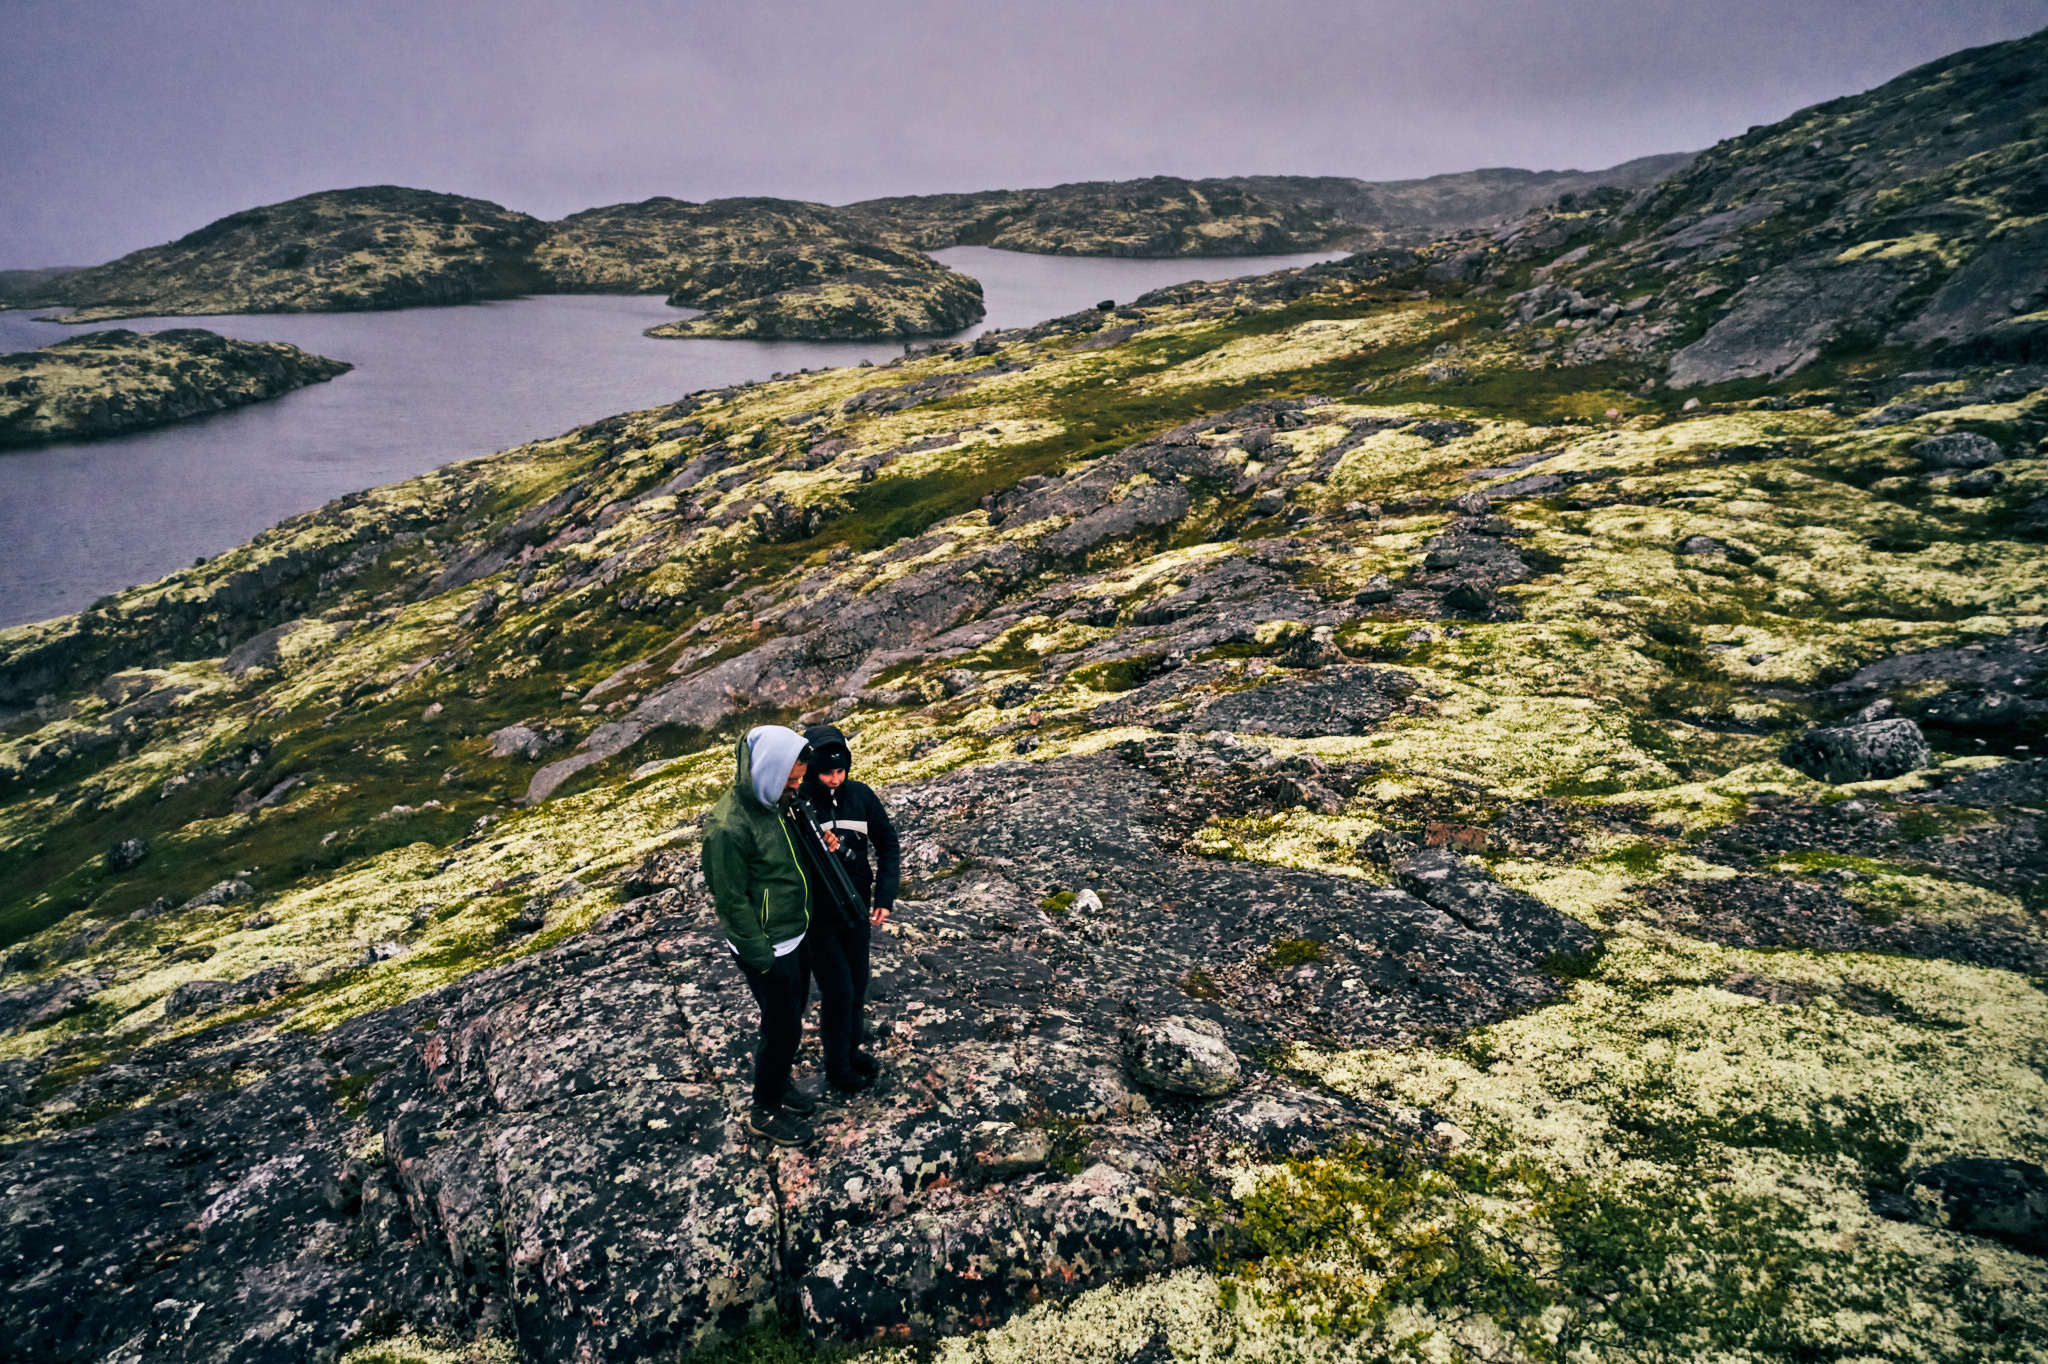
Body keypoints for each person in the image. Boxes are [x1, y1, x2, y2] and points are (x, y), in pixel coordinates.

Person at [701, 725, 824, 1147]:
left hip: (794, 933)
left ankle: (781, 1085)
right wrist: (762, 957)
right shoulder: (727, 827)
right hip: (769, 946)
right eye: (790, 780)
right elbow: (730, 901)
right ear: (769, 772)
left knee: (790, 1019)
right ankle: (765, 1109)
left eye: (799, 779)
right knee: (783, 1027)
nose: (797, 787)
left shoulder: (774, 803)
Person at [799, 724, 901, 1095]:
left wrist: (884, 899)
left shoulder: (860, 796)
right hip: (819, 918)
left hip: (856, 910)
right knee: (838, 990)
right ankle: (836, 1065)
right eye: (827, 772)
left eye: (841, 771)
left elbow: (888, 844)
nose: (834, 779)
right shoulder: (799, 804)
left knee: (858, 982)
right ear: (812, 768)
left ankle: (852, 1050)